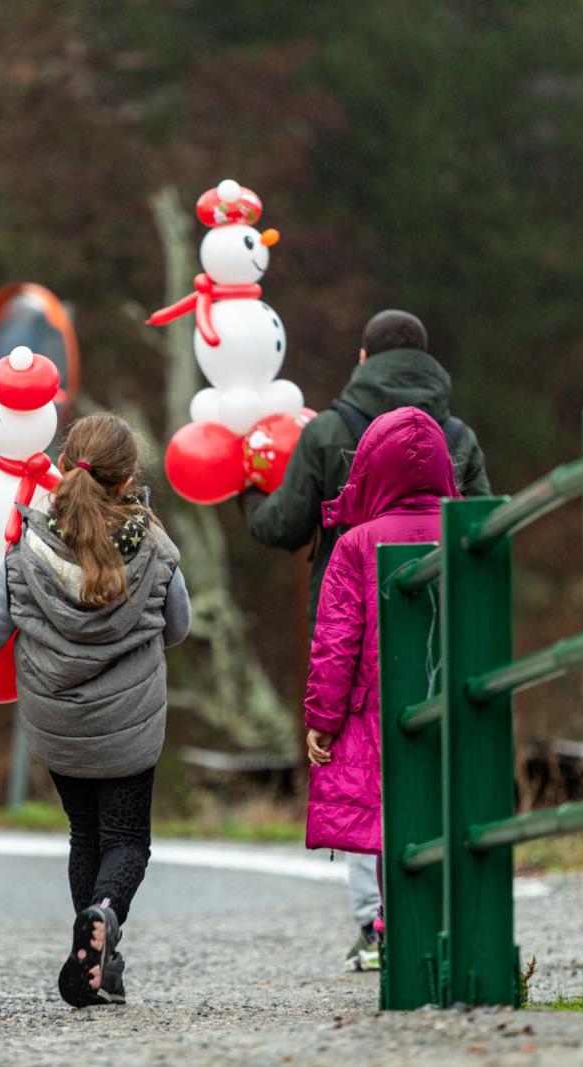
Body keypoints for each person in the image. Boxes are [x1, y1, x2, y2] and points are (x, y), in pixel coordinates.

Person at [239, 309, 490, 972]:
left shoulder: (327, 430)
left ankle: (375, 924)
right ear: (426, 357)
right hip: (444, 643)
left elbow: (284, 526)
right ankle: (442, 911)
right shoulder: (459, 434)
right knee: (438, 768)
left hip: (356, 639)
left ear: (362, 355)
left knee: (361, 779)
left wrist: (248, 492)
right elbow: (487, 537)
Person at [0, 413, 191, 1009]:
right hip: (130, 726)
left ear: (64, 465)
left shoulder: (24, 545)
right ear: (129, 475)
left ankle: (101, 961)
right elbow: (179, 628)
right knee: (127, 840)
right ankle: (104, 915)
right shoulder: (155, 546)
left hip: (56, 726)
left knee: (86, 834)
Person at [301, 407, 458, 943]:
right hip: (454, 698)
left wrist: (323, 718)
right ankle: (452, 927)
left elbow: (336, 642)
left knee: (393, 820)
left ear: (370, 469)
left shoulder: (356, 544)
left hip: (378, 707)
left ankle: (399, 931)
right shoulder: (466, 535)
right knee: (448, 807)